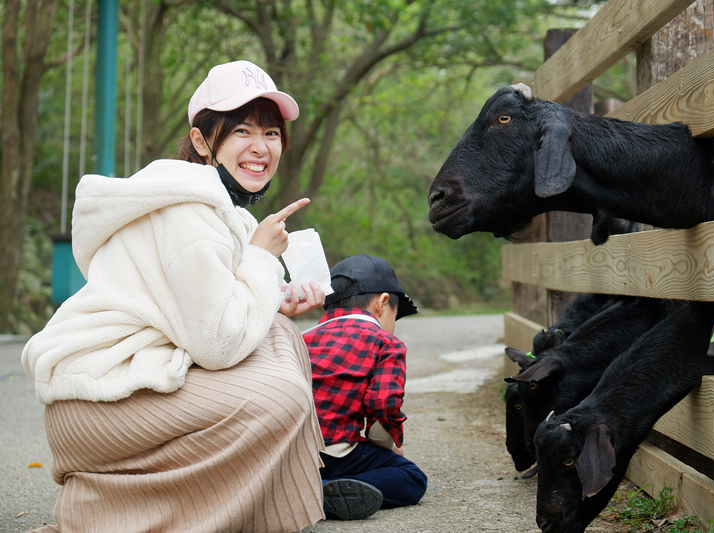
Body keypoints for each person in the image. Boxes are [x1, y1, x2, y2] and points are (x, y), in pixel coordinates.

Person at [21, 60, 328, 533]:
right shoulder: (187, 212)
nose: (259, 147)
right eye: (241, 130)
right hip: (96, 405)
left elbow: (210, 308)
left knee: (282, 337)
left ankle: (295, 483)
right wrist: (263, 261)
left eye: (271, 133)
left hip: (129, 391)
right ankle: (107, 511)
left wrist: (276, 297)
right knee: (279, 397)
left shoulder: (220, 210)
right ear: (203, 141)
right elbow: (218, 344)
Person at [302, 254, 428, 521]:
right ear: (383, 303)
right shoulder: (385, 343)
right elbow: (383, 403)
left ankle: (291, 488)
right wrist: (391, 441)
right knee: (411, 478)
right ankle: (321, 493)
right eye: (396, 315)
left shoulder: (300, 339)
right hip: (334, 455)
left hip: (288, 455)